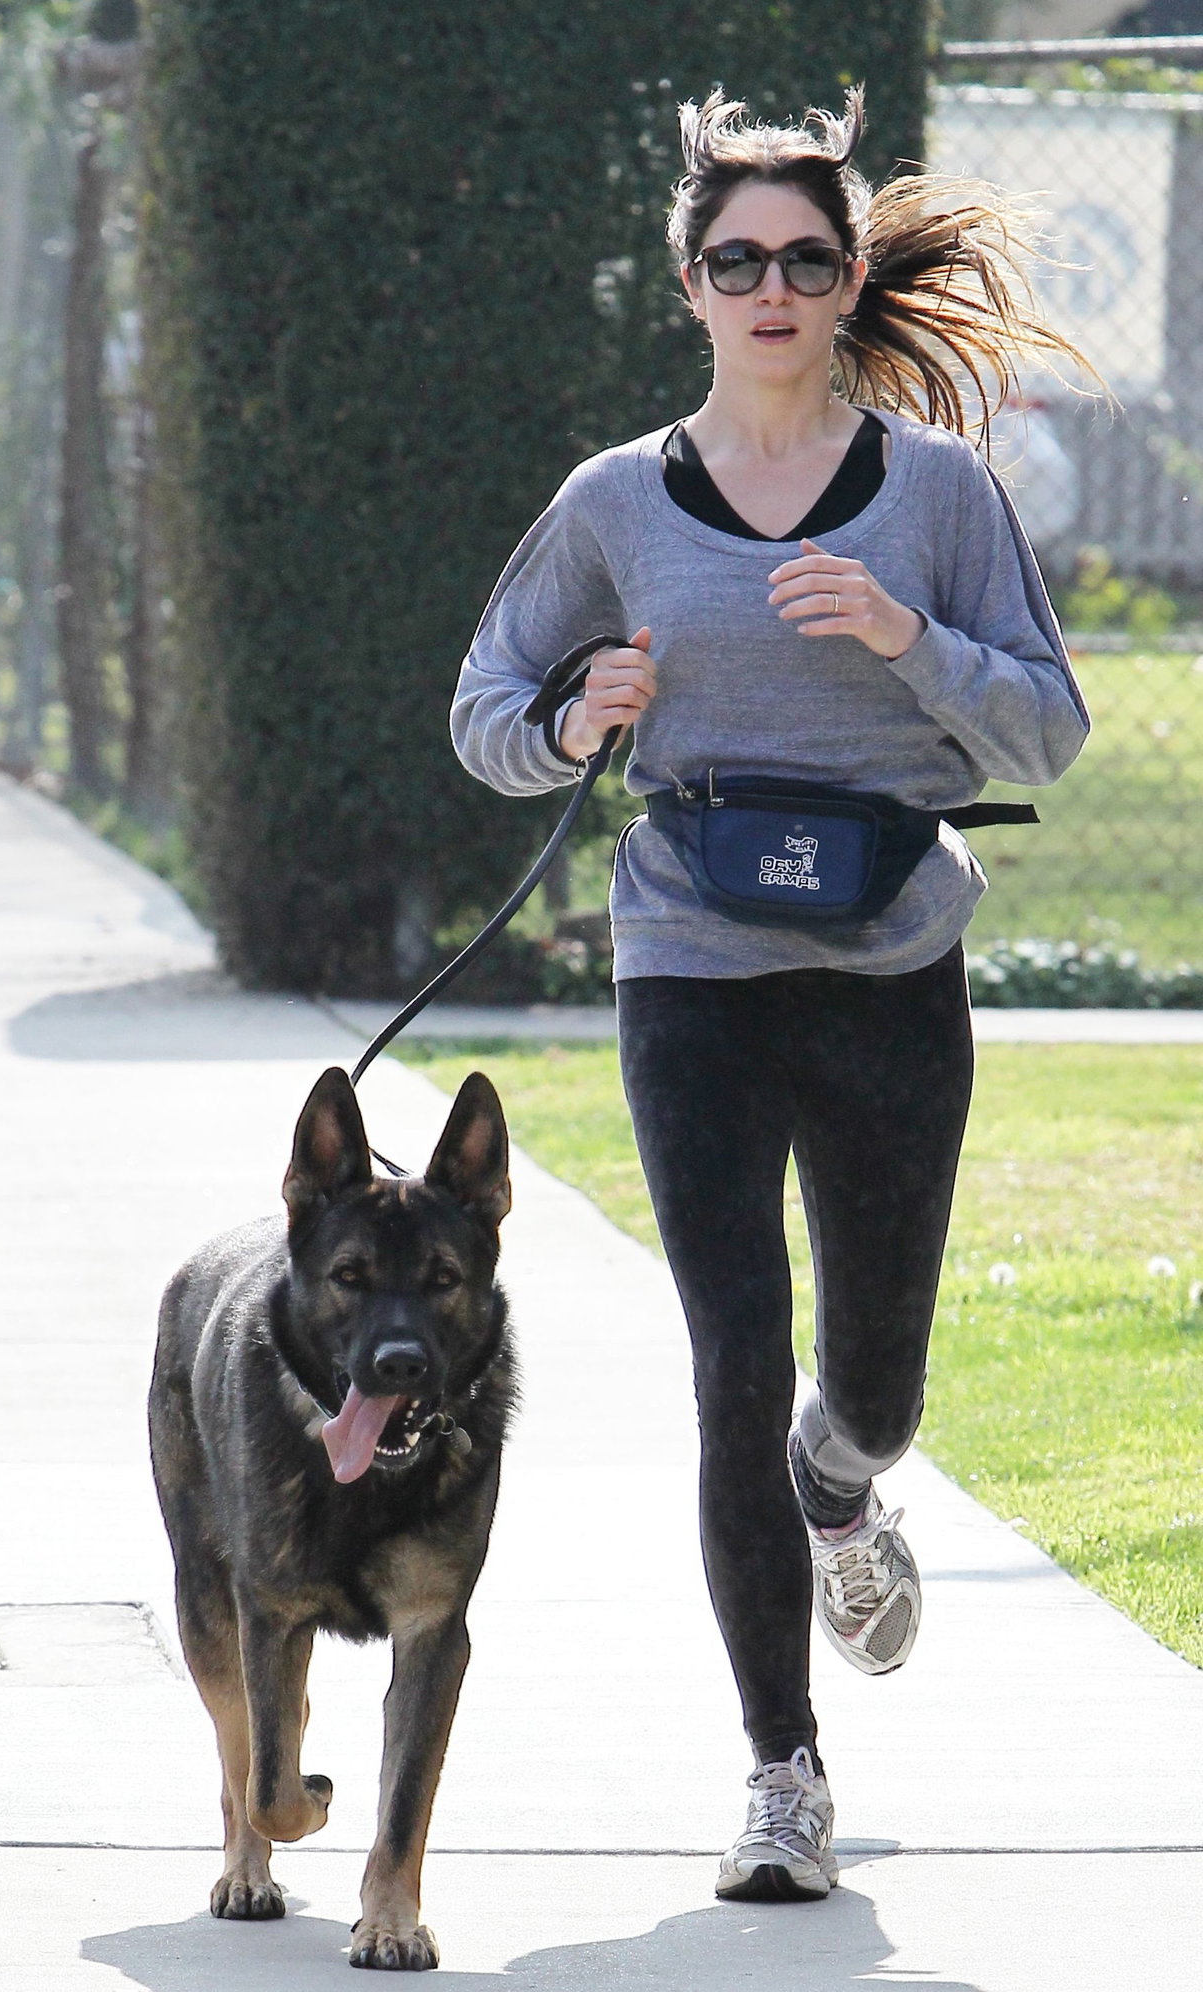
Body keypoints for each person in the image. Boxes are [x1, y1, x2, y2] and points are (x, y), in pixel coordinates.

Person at [450, 87, 1091, 1904]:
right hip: (691, 961)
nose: (774, 288)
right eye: (737, 259)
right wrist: (578, 717)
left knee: (866, 1386)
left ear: (847, 276)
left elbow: (1048, 722)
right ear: (690, 281)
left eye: (808, 259)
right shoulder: (611, 504)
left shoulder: (943, 498)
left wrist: (909, 639)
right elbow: (486, 713)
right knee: (733, 1359)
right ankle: (780, 1773)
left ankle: (845, 1485)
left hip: (892, 962)